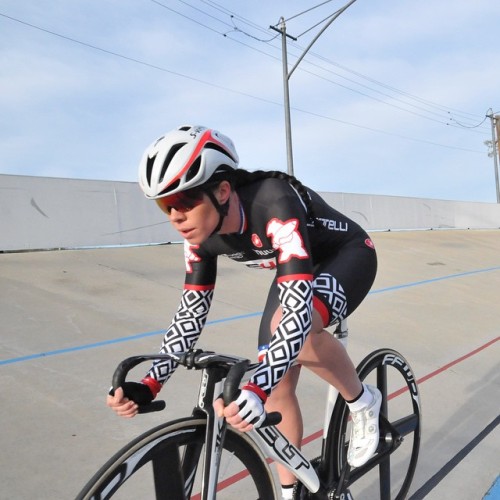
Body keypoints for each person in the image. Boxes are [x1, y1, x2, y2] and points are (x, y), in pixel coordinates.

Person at [107, 125, 382, 498]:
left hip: (345, 255)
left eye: (185, 200)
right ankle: (291, 492)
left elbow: (298, 314)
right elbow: (190, 313)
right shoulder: (200, 235)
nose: (176, 215)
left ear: (222, 191)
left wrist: (255, 385)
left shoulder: (273, 202)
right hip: (296, 267)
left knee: (290, 339)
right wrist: (150, 383)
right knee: (275, 386)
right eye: (165, 205)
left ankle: (363, 401)